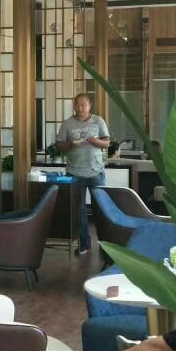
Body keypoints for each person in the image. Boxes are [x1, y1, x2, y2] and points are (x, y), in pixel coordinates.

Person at [56, 93, 110, 256]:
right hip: (74, 173)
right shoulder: (67, 123)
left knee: (101, 209)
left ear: (89, 105)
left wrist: (96, 142)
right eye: (77, 105)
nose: (80, 108)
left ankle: (105, 245)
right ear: (74, 105)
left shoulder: (98, 121)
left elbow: (107, 143)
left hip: (96, 171)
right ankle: (85, 243)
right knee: (79, 210)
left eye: (83, 105)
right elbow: (60, 146)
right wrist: (70, 144)